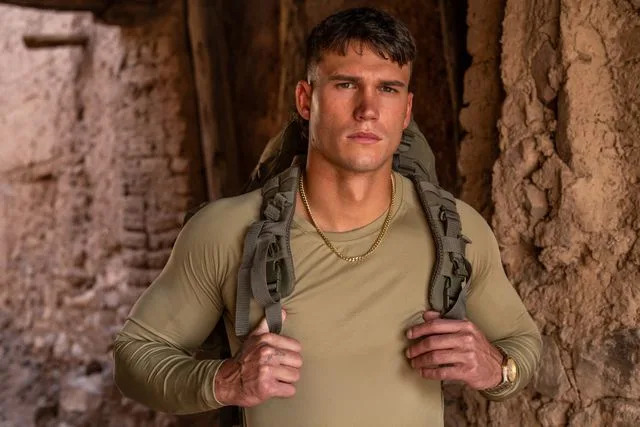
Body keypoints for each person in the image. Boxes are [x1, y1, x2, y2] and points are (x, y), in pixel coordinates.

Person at [113, 7, 542, 427]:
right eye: (346, 84)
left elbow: (524, 344)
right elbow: (134, 357)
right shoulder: (228, 232)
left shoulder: (456, 231)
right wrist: (225, 381)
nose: (368, 109)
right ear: (306, 100)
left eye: (388, 89)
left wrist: (496, 368)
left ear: (406, 111)